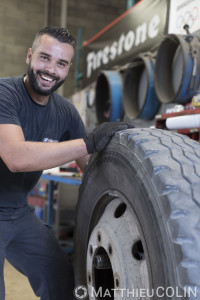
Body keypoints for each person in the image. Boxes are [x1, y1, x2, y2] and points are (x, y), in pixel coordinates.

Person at [0, 26, 131, 300]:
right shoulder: (4, 94)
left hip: (18, 213)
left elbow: (93, 170)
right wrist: (89, 142)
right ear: (29, 56)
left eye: (61, 63)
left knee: (63, 282)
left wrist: (134, 192)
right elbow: (15, 157)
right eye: (44, 58)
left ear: (68, 69)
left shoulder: (66, 112)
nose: (50, 69)